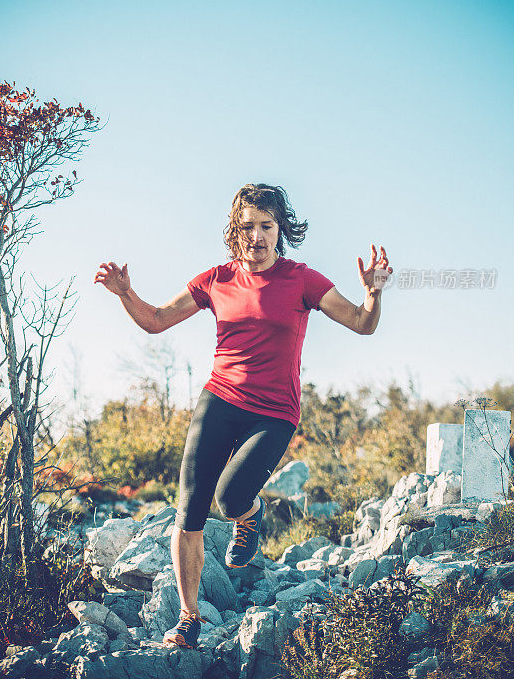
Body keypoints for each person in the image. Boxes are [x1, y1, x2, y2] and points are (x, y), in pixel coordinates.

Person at [94, 182, 392, 649]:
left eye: (266, 226)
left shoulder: (302, 279)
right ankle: (189, 617)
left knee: (230, 499)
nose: (257, 236)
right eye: (247, 226)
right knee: (189, 510)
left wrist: (373, 292)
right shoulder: (217, 279)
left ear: (281, 230)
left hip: (274, 413)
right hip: (220, 400)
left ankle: (249, 516)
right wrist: (125, 293)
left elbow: (362, 323)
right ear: (235, 230)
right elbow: (155, 320)